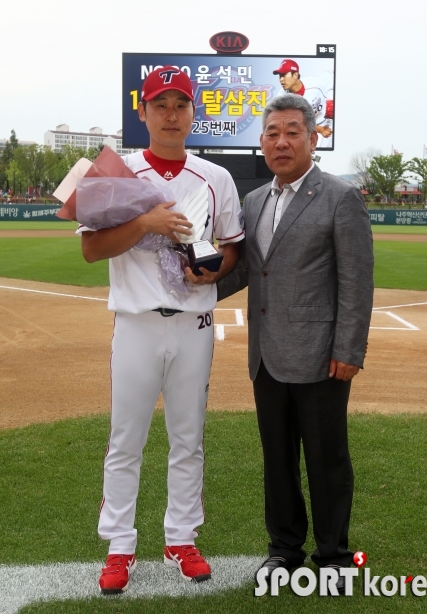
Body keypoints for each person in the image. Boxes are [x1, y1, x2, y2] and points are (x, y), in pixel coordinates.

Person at [186, 93, 373, 594]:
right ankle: (284, 550)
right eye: (273, 133)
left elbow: (357, 283)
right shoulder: (254, 201)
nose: (282, 141)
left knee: (327, 459)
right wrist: (191, 286)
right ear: (262, 142)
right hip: (266, 356)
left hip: (321, 357)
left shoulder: (339, 197)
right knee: (278, 460)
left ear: (313, 139)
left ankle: (333, 555)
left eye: (293, 131)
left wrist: (349, 350)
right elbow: (247, 269)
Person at [79, 66, 244, 594]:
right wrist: (144, 224)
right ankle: (120, 545)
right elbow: (91, 249)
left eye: (181, 104)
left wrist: (215, 268)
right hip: (135, 323)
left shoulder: (215, 178)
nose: (171, 114)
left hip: (195, 324)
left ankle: (180, 538)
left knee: (188, 439)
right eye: (160, 104)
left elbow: (232, 246)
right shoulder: (117, 174)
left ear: (193, 113)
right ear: (143, 112)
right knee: (125, 439)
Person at [273, 59, 333, 145]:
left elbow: (333, 75)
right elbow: (295, 125)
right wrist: (320, 129)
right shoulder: (282, 99)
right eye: (280, 76)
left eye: (284, 75)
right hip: (310, 131)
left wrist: (331, 99)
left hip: (327, 122)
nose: (281, 79)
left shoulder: (315, 83)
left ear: (295, 75)